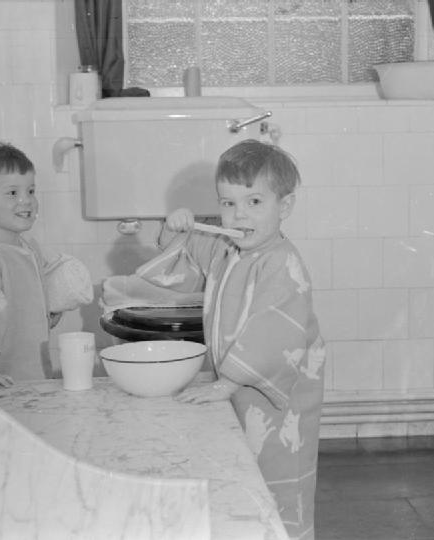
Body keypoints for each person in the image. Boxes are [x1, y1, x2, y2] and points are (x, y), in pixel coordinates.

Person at [134, 139, 325, 539]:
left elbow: (274, 332)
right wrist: (173, 231)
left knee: (276, 479)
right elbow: (180, 266)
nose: (239, 215)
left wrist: (228, 382)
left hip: (278, 400)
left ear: (284, 207)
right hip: (238, 387)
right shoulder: (226, 246)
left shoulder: (282, 264)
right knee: (242, 474)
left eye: (255, 202)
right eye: (228, 203)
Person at [0, 142, 93, 390]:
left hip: (30, 371)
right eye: (12, 193)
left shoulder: (25, 247)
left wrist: (48, 311)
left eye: (30, 191)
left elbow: (27, 297)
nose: (26, 201)